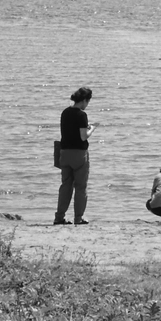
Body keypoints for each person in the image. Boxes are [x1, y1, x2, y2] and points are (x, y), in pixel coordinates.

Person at [55, 86, 93, 225]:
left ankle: (59, 217)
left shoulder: (65, 112)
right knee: (80, 187)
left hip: (64, 152)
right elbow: (83, 136)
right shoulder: (82, 115)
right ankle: (78, 218)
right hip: (79, 154)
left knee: (66, 185)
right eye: (87, 101)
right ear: (84, 100)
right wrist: (91, 129)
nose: (87, 105)